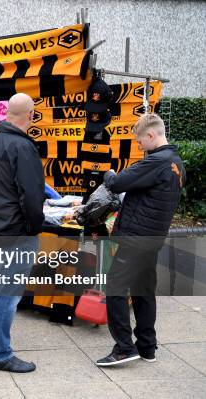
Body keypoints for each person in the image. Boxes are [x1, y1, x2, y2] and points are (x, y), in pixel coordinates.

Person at [96, 113, 185, 366]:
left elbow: (117, 183)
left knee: (115, 287)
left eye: (139, 141)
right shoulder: (177, 163)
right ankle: (147, 346)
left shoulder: (156, 161)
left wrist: (109, 174)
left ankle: (124, 348)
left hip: (135, 237)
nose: (138, 146)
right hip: (153, 237)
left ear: (151, 135)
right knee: (143, 290)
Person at [0, 93, 44, 373]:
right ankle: (0, 353)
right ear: (30, 115)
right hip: (16, 231)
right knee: (8, 291)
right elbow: (31, 196)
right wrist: (34, 227)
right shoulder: (22, 147)